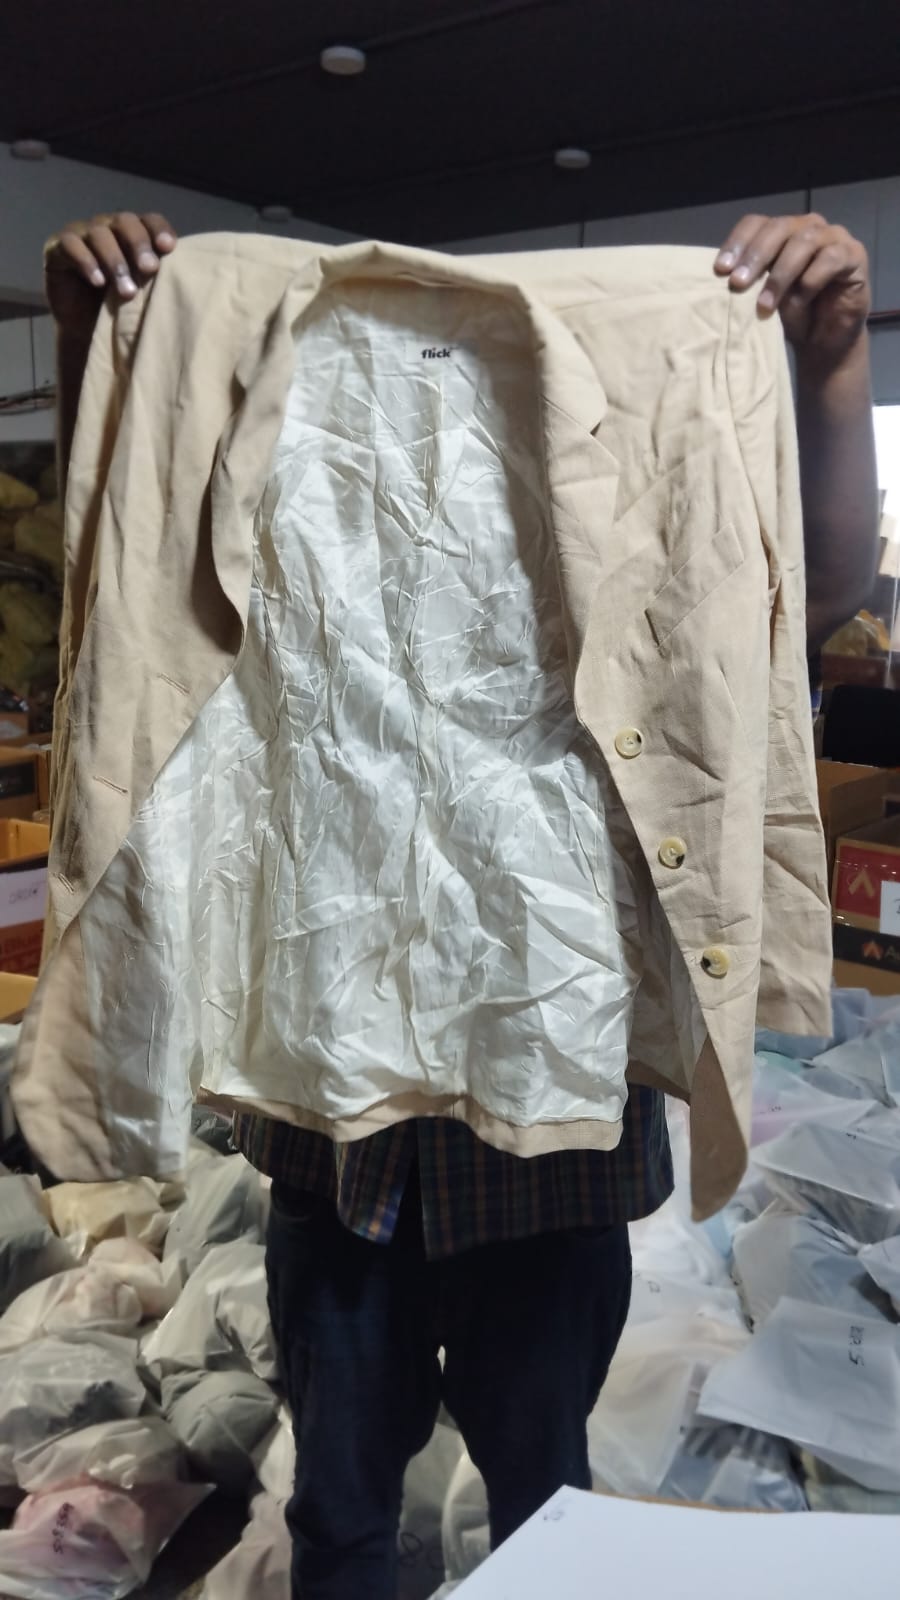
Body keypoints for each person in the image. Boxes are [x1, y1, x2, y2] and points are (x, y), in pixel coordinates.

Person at [45, 208, 878, 1599]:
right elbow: (126, 559)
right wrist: (109, 346)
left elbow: (807, 591)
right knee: (340, 1513)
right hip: (338, 1162)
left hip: (555, 1170)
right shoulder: (288, 423)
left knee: (545, 1506)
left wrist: (833, 362)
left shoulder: (632, 415)